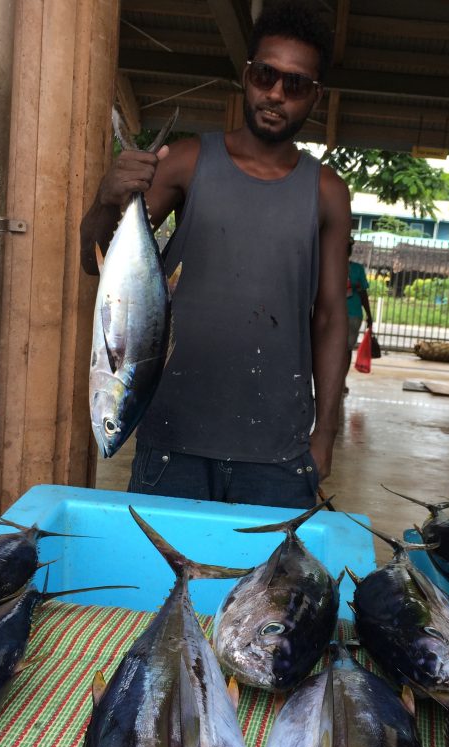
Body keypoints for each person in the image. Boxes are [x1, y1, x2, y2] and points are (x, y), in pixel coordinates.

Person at [79, 0, 350, 510]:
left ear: (316, 94)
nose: (275, 94)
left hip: (278, 451)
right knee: (166, 585)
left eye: (295, 85)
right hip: (172, 439)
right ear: (246, 76)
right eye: (265, 75)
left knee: (265, 590)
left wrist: (326, 433)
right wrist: (106, 196)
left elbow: (333, 317)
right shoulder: (185, 160)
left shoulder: (328, 192)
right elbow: (97, 262)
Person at [344, 240, 373, 392]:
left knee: (334, 349)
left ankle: (336, 382)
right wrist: (369, 315)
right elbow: (363, 294)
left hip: (334, 315)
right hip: (354, 314)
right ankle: (341, 382)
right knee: (346, 350)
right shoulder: (357, 269)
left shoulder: (330, 267)